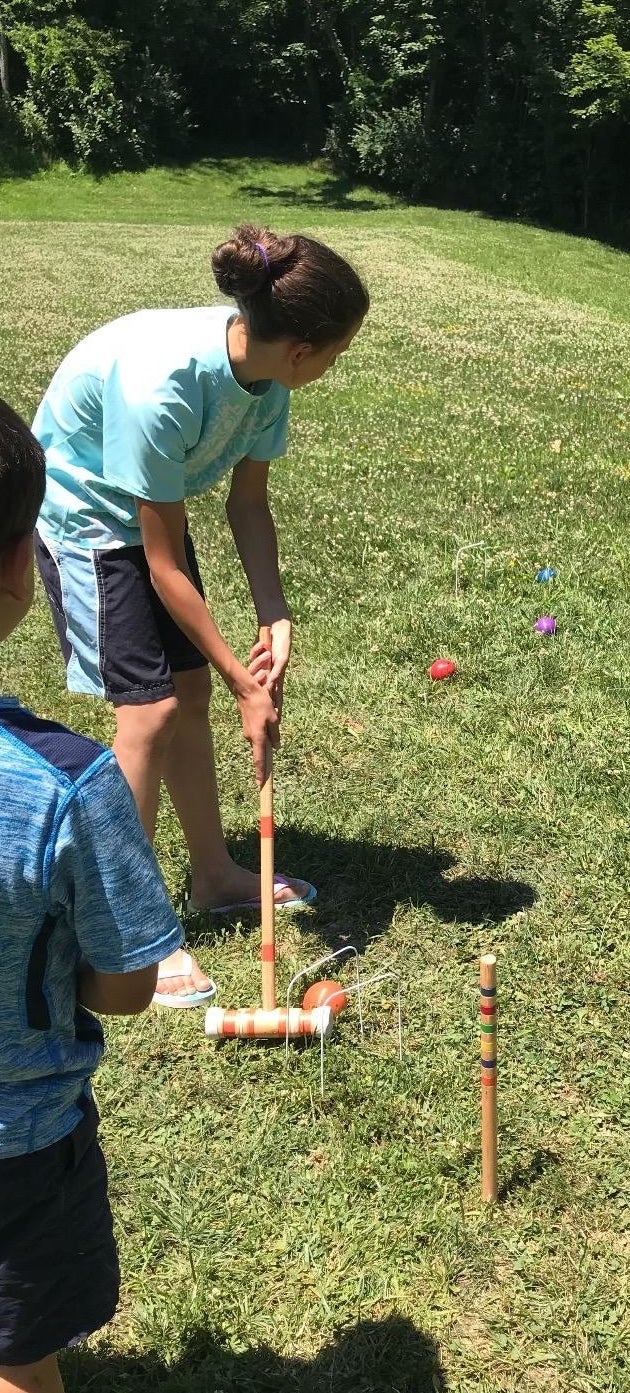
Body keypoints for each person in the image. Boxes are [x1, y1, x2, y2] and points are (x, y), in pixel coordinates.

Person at [32, 225, 369, 1005]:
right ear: (300, 348)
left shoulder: (266, 379)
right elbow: (158, 561)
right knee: (147, 713)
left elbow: (247, 504)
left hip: (153, 515)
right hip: (86, 516)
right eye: (336, 354)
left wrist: (274, 615)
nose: (332, 368)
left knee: (191, 696)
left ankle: (215, 873)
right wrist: (243, 678)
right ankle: (126, 931)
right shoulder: (166, 387)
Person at [0, 398, 185, 1393]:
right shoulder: (68, 782)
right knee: (21, 1358)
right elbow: (126, 985)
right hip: (20, 1150)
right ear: (23, 565)